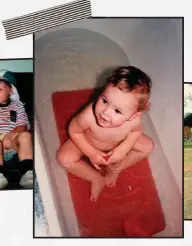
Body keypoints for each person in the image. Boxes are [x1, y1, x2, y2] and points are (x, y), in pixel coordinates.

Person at [57, 66, 154, 202]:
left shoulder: (134, 121)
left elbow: (136, 132)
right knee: (64, 158)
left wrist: (123, 148)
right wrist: (91, 152)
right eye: (104, 101)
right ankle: (95, 178)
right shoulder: (88, 116)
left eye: (117, 111)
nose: (105, 112)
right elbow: (74, 131)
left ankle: (116, 168)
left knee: (148, 147)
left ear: (133, 116)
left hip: (118, 143)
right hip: (88, 141)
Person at [0, 70, 33, 189]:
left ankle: (28, 173)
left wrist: (10, 135)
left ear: (11, 91)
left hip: (12, 143)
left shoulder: (17, 106)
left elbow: (22, 126)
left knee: (25, 136)